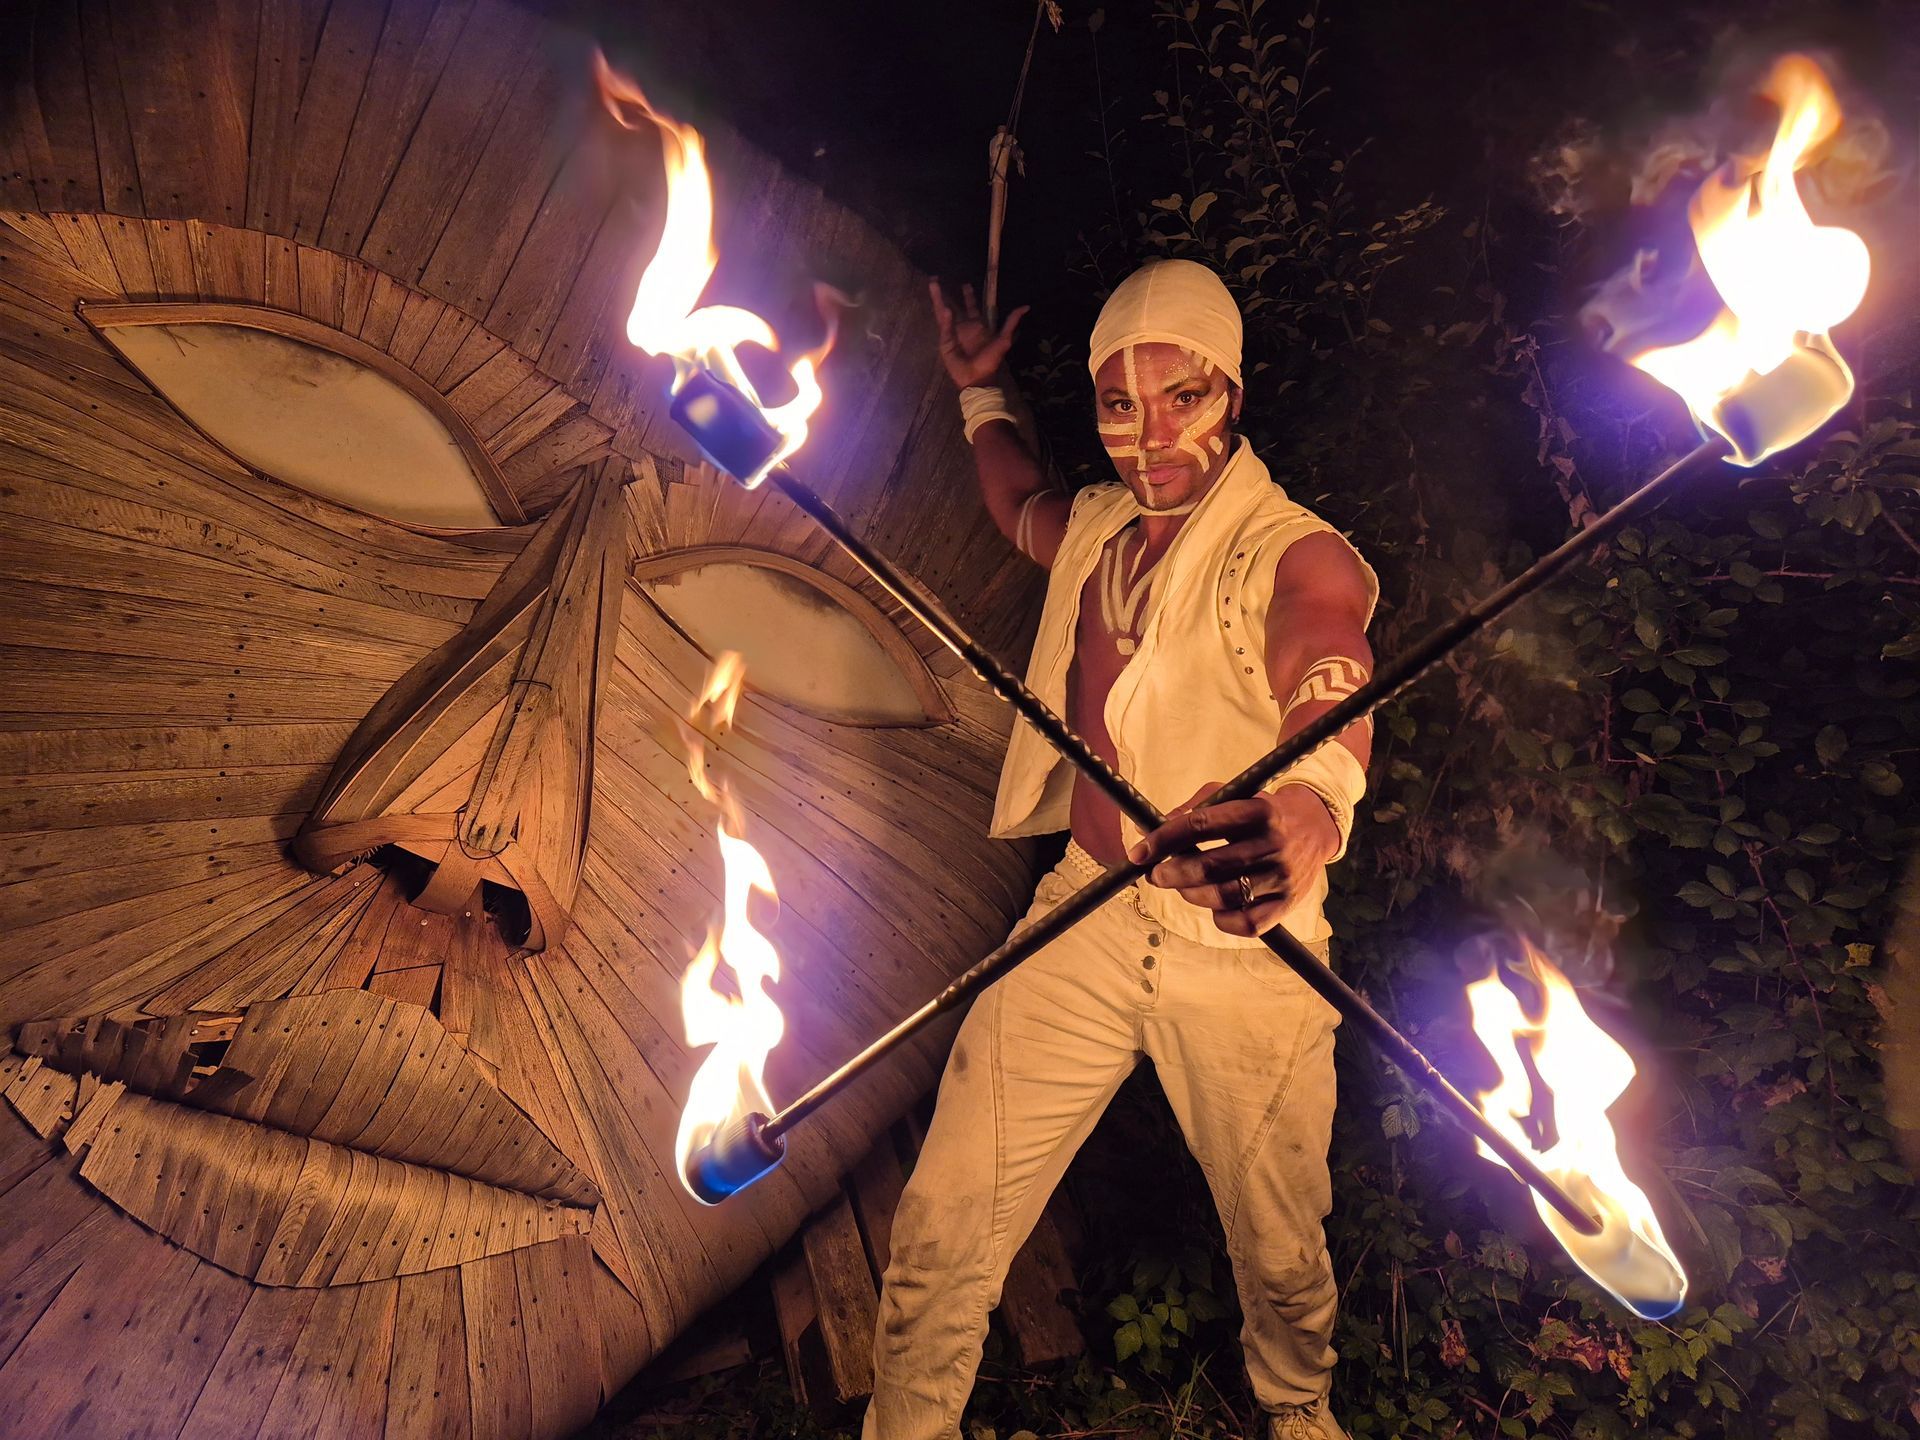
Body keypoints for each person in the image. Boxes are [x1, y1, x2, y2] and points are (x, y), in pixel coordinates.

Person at [863, 259, 1378, 1440]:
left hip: (1248, 949)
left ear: (1232, 393)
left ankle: (1300, 1413)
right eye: (1117, 406)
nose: (1146, 439)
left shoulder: (1292, 551)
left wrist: (1309, 805)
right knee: (945, 1217)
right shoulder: (1103, 529)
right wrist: (980, 395)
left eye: (1181, 398)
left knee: (1283, 1251)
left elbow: (1331, 662)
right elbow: (1016, 503)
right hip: (1085, 911)